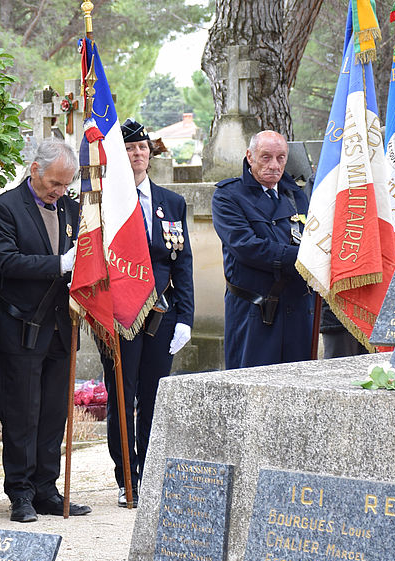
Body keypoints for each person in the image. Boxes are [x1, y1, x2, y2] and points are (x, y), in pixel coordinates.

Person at [0, 137, 91, 522]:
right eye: (54, 184)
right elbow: (8, 261)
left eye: (66, 185)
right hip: (22, 326)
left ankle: (47, 488)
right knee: (22, 414)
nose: (60, 192)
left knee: (52, 416)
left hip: (61, 328)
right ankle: (21, 493)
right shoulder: (5, 208)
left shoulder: (73, 208)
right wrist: (60, 264)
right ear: (35, 170)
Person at [100, 119, 194, 508]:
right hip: (118, 314)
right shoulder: (104, 201)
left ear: (150, 154)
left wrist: (186, 316)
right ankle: (128, 476)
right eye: (129, 149)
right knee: (122, 396)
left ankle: (151, 470)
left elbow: (183, 262)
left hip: (160, 314)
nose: (137, 154)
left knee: (153, 397)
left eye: (142, 148)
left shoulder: (171, 202)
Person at [212, 130, 312, 369]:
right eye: (266, 157)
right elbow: (247, 247)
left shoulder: (297, 196)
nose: (274, 165)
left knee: (297, 388)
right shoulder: (228, 196)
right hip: (255, 312)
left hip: (297, 309)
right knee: (252, 390)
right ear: (250, 156)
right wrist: (306, 258)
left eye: (281, 158)